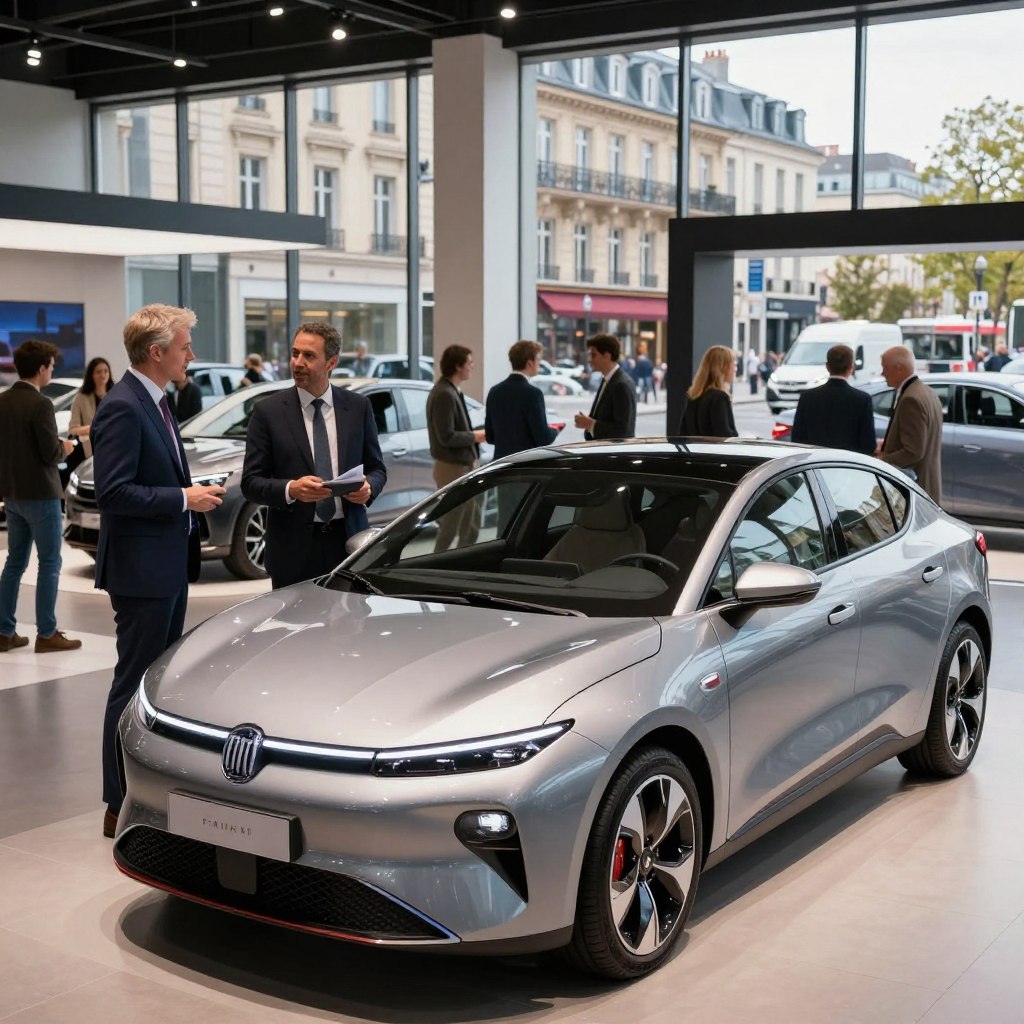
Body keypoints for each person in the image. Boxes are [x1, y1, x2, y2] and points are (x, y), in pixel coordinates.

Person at [90, 304, 226, 838]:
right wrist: (183, 498)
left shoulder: (157, 402)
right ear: (156, 352)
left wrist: (186, 497)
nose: (191, 354)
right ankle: (114, 800)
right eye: (185, 345)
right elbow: (113, 492)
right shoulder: (125, 406)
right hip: (141, 570)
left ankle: (140, 792)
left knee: (153, 684)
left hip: (164, 563)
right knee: (133, 684)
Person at [241, 321, 386, 588]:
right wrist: (291, 489)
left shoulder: (358, 408)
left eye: (309, 356)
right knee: (296, 629)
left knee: (349, 628)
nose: (298, 363)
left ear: (331, 362)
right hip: (292, 549)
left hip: (349, 545)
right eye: (295, 353)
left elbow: (378, 469)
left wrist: (368, 488)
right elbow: (250, 483)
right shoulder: (268, 413)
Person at [0, 340, 81, 656]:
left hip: (13, 494)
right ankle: (47, 633)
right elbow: (50, 453)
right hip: (42, 495)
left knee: (14, 562)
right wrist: (67, 447)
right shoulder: (41, 405)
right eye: (51, 365)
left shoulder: (3, 402)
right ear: (41, 368)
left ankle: (4, 631)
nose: (52, 370)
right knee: (49, 563)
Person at [426, 344, 486, 551]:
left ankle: (461, 562)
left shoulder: (450, 390)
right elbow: (447, 436)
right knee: (452, 524)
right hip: (453, 468)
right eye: (469, 363)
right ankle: (435, 566)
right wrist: (475, 436)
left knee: (469, 523)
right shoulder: (444, 393)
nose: (472, 366)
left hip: (460, 466)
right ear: (459, 366)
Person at [876, 345, 944, 503]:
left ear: (899, 368)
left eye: (885, 368)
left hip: (915, 490)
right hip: (927, 486)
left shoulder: (910, 399)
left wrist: (881, 461)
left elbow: (913, 452)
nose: (882, 373)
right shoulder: (927, 392)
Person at [790, 344, 876, 454]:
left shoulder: (807, 398)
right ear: (852, 367)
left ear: (827, 366)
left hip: (815, 464)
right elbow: (868, 444)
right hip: (849, 465)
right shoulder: (863, 399)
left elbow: (797, 439)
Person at [484, 340, 559, 459]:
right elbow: (543, 438)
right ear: (530, 363)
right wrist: (555, 429)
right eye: (538, 360)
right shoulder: (533, 393)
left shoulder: (494, 391)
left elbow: (490, 437)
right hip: (525, 465)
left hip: (500, 464)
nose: (539, 364)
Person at [574, 334, 637, 440]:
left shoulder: (621, 385)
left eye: (593, 355)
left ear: (607, 356)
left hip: (613, 454)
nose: (589, 360)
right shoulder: (608, 380)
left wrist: (590, 424)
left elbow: (622, 431)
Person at [678, 344, 738, 438]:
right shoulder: (720, 398)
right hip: (713, 452)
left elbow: (683, 433)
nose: (735, 369)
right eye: (733, 364)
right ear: (723, 367)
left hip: (695, 452)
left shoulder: (693, 396)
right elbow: (725, 437)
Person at [69, 356, 112, 460]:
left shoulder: (116, 395)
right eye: (98, 372)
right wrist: (93, 428)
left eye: (106, 371)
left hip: (113, 448)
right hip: (90, 452)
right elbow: (73, 429)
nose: (103, 375)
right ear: (91, 375)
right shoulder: (81, 398)